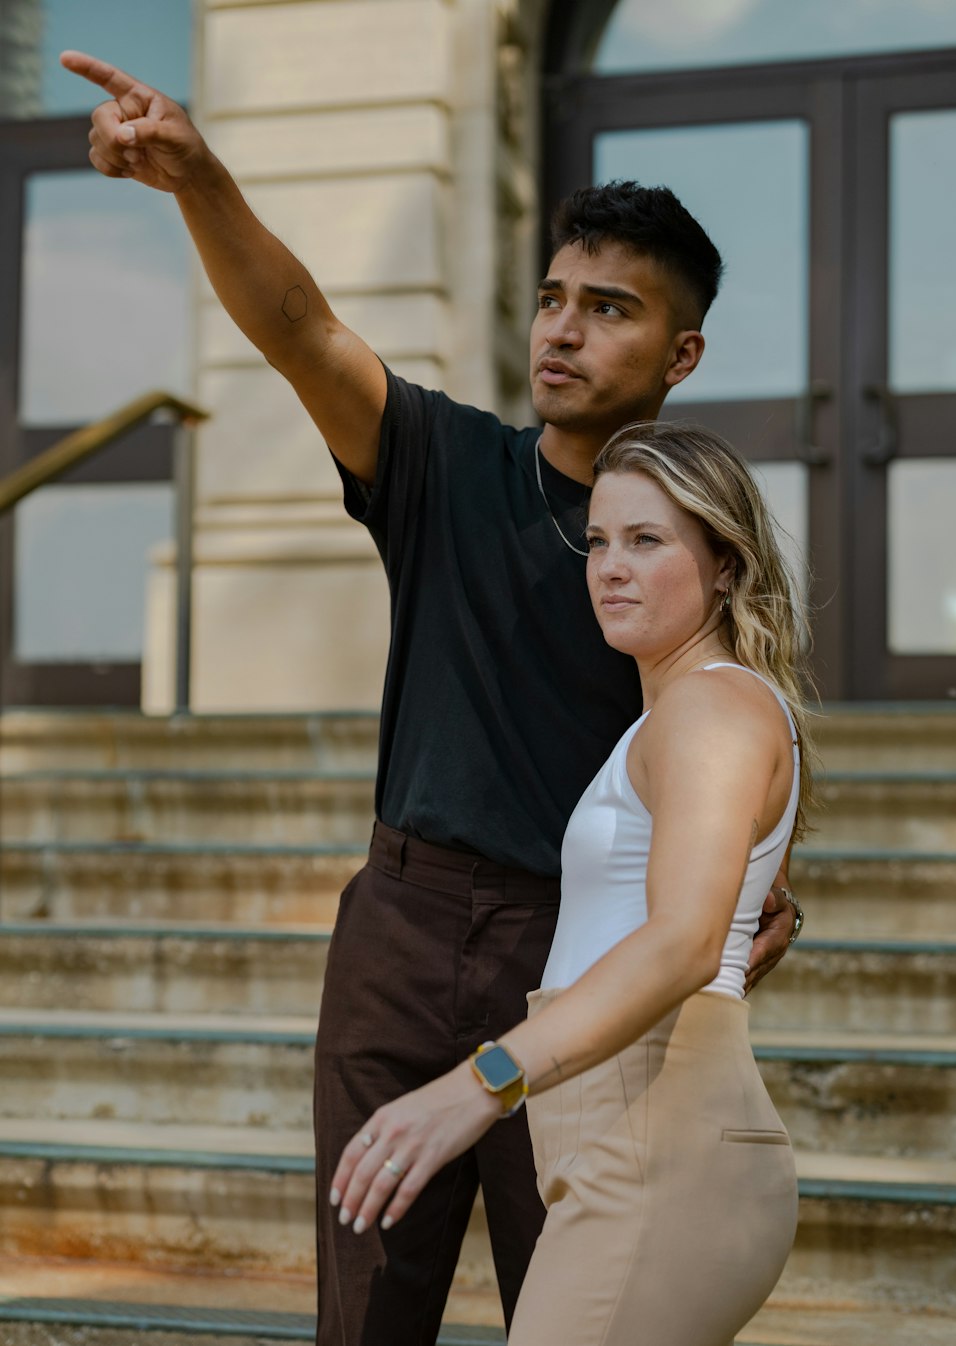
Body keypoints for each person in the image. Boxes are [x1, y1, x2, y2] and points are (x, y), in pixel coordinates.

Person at [62, 49, 803, 1346]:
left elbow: (737, 730)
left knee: (568, 1304)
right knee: (365, 1317)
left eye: (611, 309)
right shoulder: (448, 464)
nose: (564, 330)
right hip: (399, 938)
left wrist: (735, 887)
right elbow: (299, 325)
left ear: (683, 351)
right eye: (553, 298)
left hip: (575, 961)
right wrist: (196, 179)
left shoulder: (676, 557)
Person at [331, 420, 814, 1346]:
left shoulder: (711, 705)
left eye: (647, 541)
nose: (610, 567)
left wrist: (482, 1083)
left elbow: (682, 942)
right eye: (597, 540)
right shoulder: (692, 711)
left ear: (724, 565)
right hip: (629, 1147)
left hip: (658, 1151)